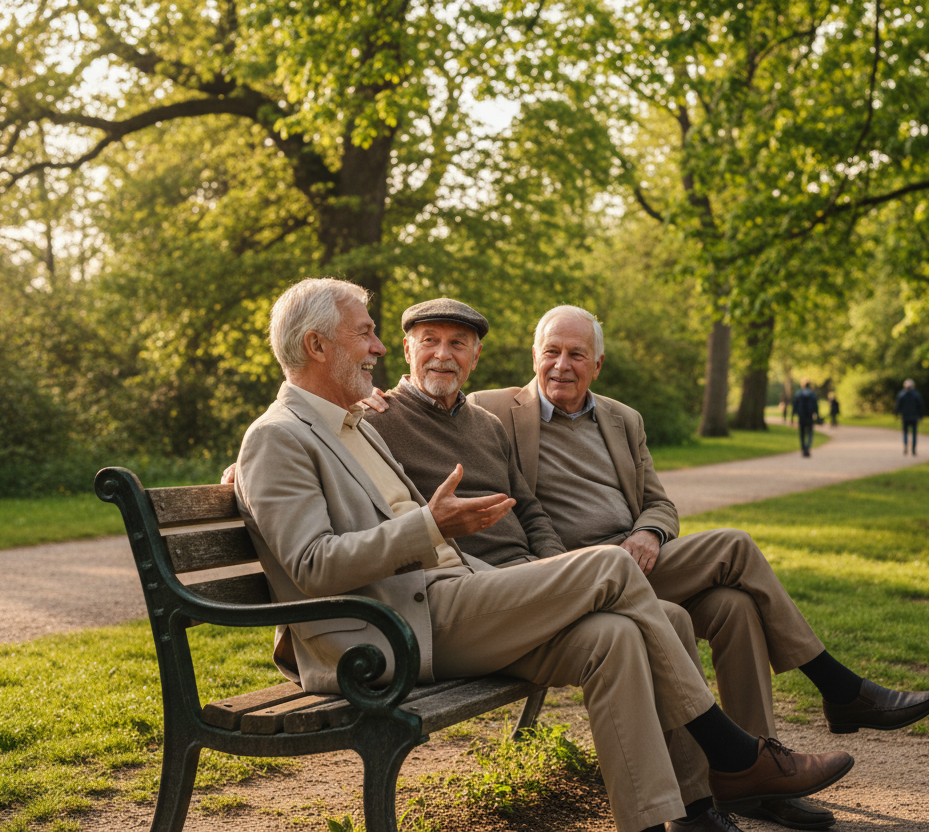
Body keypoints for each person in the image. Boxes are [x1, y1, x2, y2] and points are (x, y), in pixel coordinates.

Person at [233, 280, 853, 832]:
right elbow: (311, 564)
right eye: (367, 334)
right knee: (610, 564)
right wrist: (429, 526)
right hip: (397, 629)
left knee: (616, 634)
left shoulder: (355, 424)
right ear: (317, 346)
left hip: (456, 595)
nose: (377, 347)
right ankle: (736, 752)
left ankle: (677, 816)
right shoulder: (279, 435)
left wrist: (463, 542)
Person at [469, 306, 929, 831]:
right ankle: (830, 695)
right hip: (578, 578)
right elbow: (453, 432)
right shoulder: (492, 410)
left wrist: (649, 533)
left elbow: (660, 504)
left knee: (734, 584)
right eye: (551, 352)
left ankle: (759, 780)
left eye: (576, 354)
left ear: (597, 364)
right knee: (732, 574)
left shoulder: (624, 420)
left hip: (643, 560)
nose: (561, 365)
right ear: (533, 355)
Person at [895, 379, 926, 455]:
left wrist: (896, 413)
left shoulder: (901, 394)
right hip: (914, 417)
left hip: (905, 417)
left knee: (905, 432)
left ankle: (906, 446)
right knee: (914, 433)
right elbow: (920, 406)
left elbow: (898, 406)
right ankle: (913, 449)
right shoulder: (916, 395)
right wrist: (921, 415)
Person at [791, 380, 820, 457]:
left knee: (802, 433)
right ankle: (807, 447)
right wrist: (817, 415)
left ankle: (803, 448)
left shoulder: (798, 394)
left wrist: (792, 417)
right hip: (809, 416)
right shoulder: (812, 394)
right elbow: (816, 406)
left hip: (801, 416)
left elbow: (794, 405)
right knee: (810, 433)